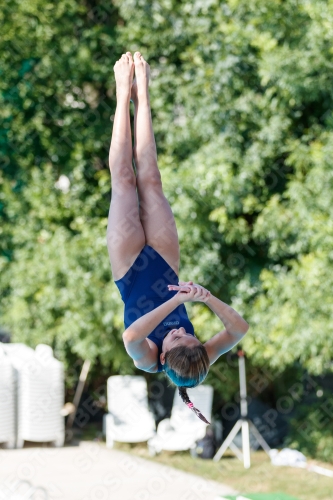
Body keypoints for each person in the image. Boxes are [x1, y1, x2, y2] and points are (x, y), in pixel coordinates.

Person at [107, 51, 249, 423]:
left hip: (130, 269)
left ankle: (123, 93)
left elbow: (131, 335)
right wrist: (204, 298)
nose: (183, 335)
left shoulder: (149, 359)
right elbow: (239, 328)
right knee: (151, 179)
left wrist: (176, 304)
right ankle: (144, 95)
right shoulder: (201, 355)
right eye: (192, 337)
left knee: (124, 181)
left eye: (176, 340)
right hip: (166, 264)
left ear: (165, 356)